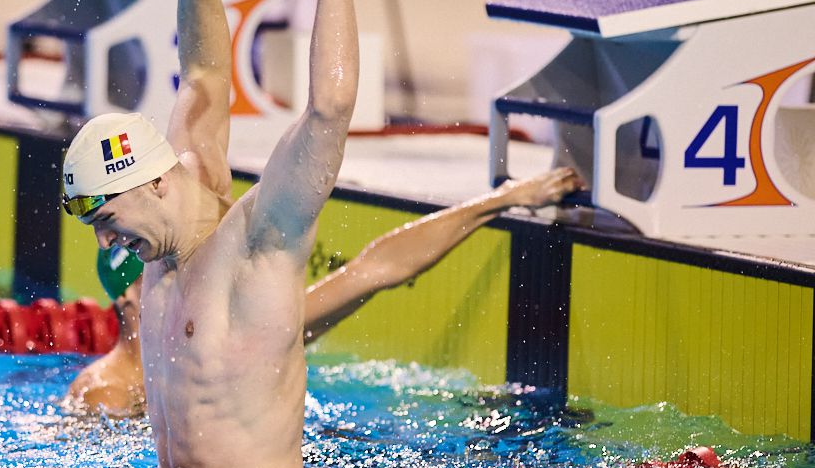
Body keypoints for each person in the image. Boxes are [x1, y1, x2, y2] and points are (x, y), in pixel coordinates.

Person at [60, 0, 370, 468]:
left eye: (106, 221)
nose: (105, 245)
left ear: (151, 185)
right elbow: (202, 73)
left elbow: (330, 106)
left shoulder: (258, 241)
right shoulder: (169, 216)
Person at [65, 167, 581, 418]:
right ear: (127, 299)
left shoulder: (237, 335)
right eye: (162, 276)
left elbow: (375, 269)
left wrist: (505, 199)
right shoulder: (103, 393)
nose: (182, 281)